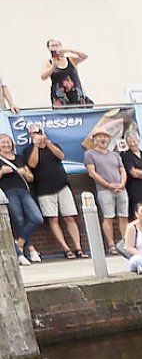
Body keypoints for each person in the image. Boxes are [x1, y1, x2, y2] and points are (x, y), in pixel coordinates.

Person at [22, 122, 83, 258]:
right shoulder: (28, 150)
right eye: (34, 133)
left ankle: (78, 248)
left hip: (62, 186)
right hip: (44, 190)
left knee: (69, 217)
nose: (37, 135)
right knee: (53, 219)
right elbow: (32, 164)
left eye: (39, 132)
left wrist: (47, 143)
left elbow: (61, 156)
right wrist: (36, 146)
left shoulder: (53, 145)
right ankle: (66, 249)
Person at [81, 128, 128, 253]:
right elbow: (92, 173)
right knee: (108, 217)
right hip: (104, 190)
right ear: (94, 140)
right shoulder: (89, 154)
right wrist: (108, 185)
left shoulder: (115, 155)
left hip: (121, 189)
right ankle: (111, 245)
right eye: (99, 137)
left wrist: (122, 183)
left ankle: (125, 242)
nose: (103, 139)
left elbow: (122, 170)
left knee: (124, 216)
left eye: (105, 136)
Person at [0, 132, 43, 262]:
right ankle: (30, 250)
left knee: (37, 218)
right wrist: (2, 171)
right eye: (3, 142)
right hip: (8, 192)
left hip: (24, 191)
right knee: (18, 220)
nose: (6, 145)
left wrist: (25, 173)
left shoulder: (19, 158)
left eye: (8, 142)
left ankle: (19, 245)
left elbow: (31, 177)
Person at [43, 40, 91, 107]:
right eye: (53, 46)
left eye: (57, 45)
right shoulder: (48, 62)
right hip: (60, 97)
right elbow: (43, 77)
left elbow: (85, 56)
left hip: (77, 95)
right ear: (49, 48)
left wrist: (69, 51)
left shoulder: (70, 59)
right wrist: (53, 66)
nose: (55, 48)